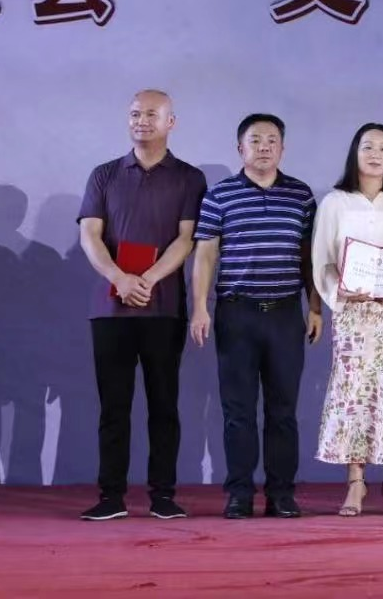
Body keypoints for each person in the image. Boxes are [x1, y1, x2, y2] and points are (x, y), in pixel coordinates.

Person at [74, 90, 207, 522]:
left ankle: (162, 496)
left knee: (164, 405)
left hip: (163, 308)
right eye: (134, 114)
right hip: (110, 309)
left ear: (171, 122)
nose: (141, 121)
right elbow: (89, 235)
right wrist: (119, 279)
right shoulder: (104, 175)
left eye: (151, 114)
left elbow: (187, 239)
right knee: (113, 407)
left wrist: (147, 280)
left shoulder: (189, 178)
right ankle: (110, 496)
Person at [190, 113, 323, 520]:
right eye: (255, 140)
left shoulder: (301, 195)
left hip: (285, 314)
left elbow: (310, 258)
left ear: (282, 148)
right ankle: (239, 494)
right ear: (240, 148)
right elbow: (205, 255)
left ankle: (281, 494)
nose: (263, 147)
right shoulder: (220, 195)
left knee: (283, 411)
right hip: (237, 314)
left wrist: (314, 306)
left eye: (271, 140)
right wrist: (200, 306)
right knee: (238, 411)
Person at [311, 122, 383, 517]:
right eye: (368, 147)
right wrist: (339, 291)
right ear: (355, 153)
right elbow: (321, 261)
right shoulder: (335, 202)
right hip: (353, 315)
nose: (376, 154)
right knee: (353, 396)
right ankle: (355, 482)